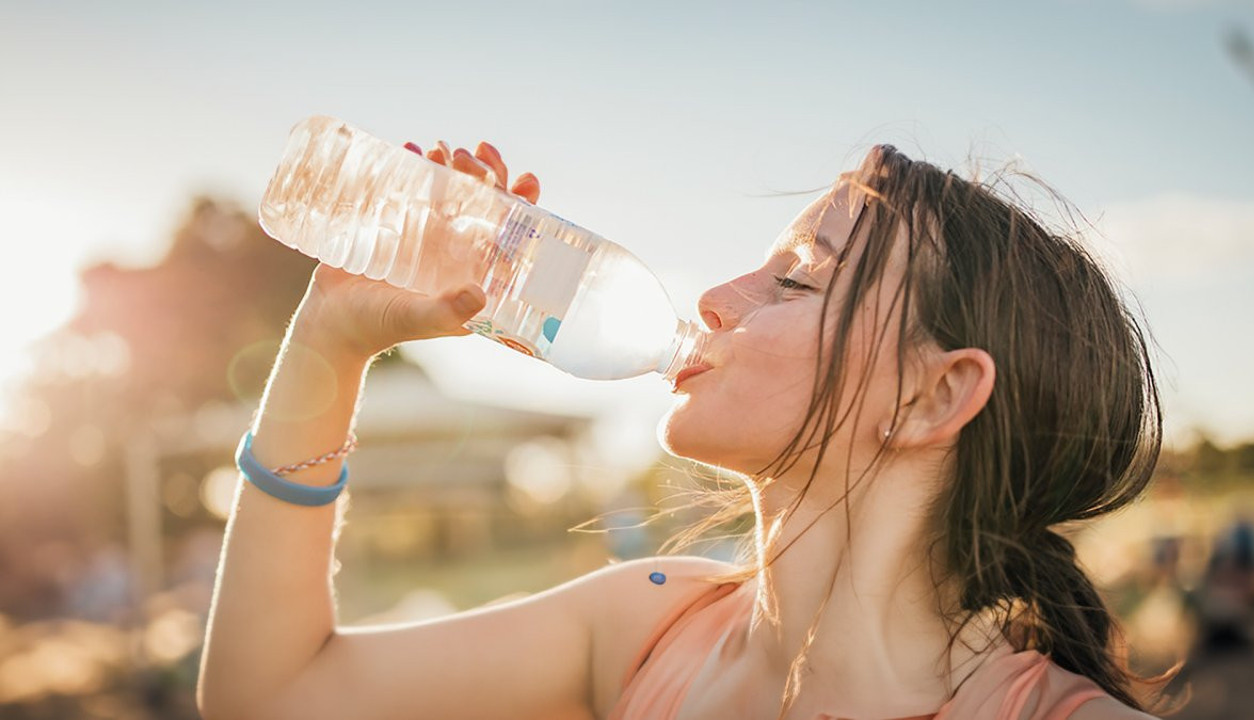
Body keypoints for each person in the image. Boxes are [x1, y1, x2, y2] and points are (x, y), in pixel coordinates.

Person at [197, 140, 1167, 719]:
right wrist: (330, 344)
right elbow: (267, 694)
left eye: (796, 278)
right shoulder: (647, 628)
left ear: (929, 397)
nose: (710, 299)